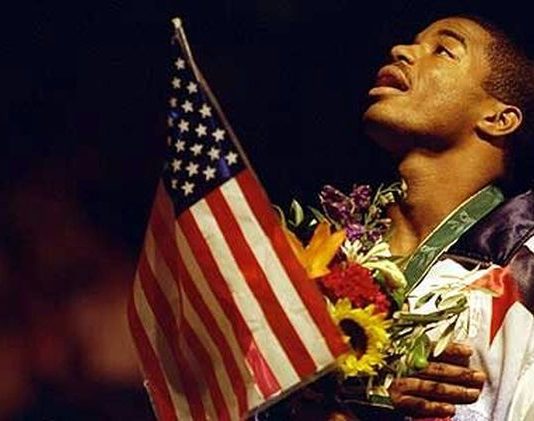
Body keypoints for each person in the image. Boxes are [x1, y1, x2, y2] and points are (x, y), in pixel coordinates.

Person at [361, 15, 534, 421]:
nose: (401, 51)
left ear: (498, 119)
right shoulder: (321, 252)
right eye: (414, 42)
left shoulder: (523, 263)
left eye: (443, 50)